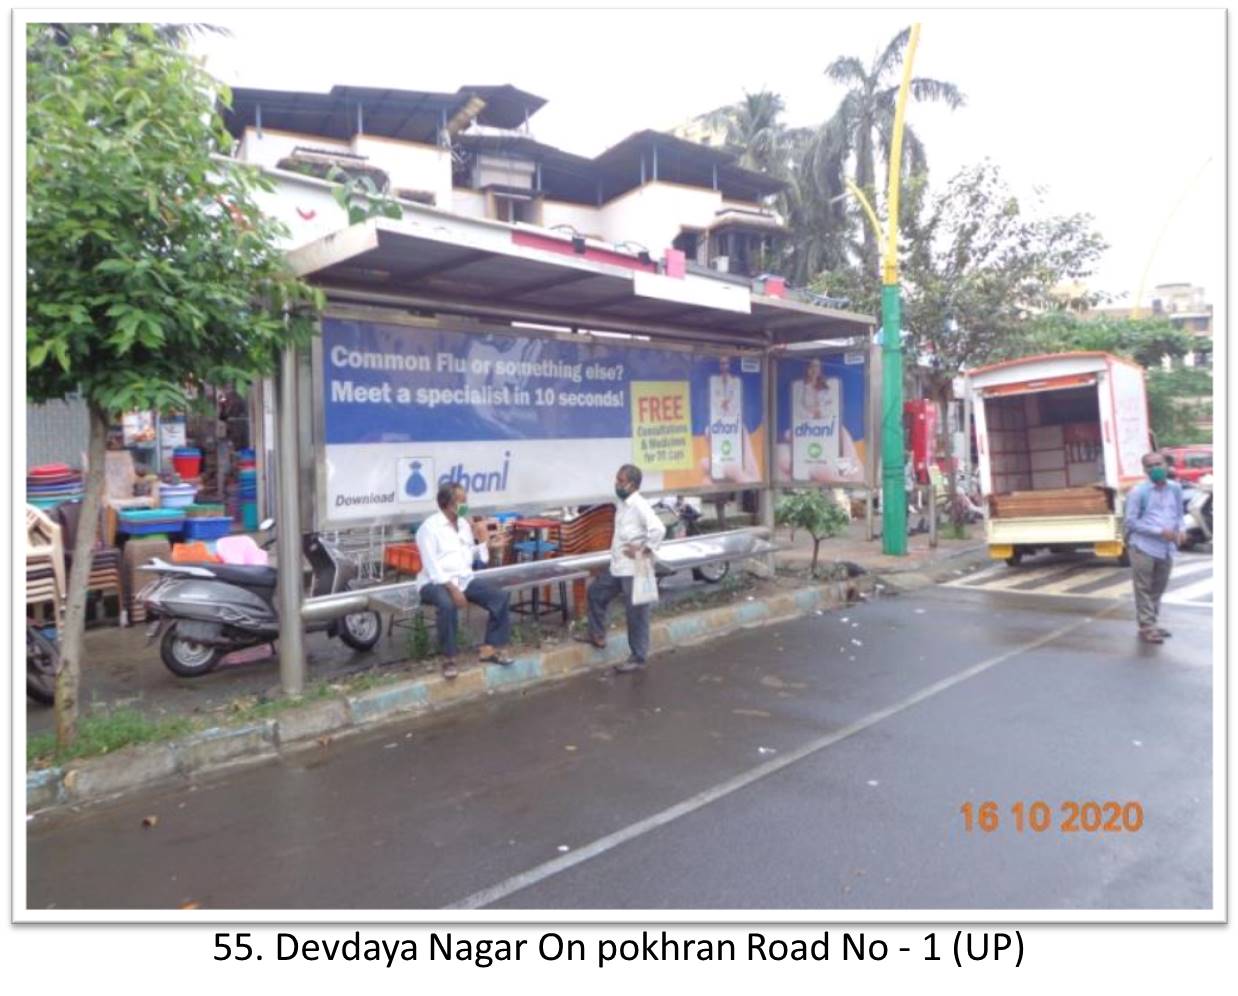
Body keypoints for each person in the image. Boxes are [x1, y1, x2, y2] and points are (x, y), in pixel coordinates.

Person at [415, 482, 514, 678]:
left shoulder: (463, 525)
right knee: (447, 604)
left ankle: (490, 648)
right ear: (447, 504)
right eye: (462, 501)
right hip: (434, 582)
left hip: (464, 579)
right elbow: (432, 566)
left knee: (499, 597)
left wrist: (485, 542)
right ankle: (449, 659)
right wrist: (453, 589)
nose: (466, 505)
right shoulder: (429, 528)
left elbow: (475, 559)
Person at [576, 464, 666, 673]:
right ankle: (597, 634)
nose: (616, 484)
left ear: (632, 485)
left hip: (636, 568)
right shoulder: (623, 503)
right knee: (596, 593)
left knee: (636, 615)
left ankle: (638, 657)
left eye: (620, 481)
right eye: (616, 479)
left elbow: (658, 529)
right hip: (619, 566)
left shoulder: (639, 505)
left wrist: (644, 551)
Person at [1124, 451, 1186, 644]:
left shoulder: (1175, 488)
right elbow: (1131, 522)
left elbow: (1179, 513)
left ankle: (1152, 622)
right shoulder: (1138, 492)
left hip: (1166, 548)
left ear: (1166, 466)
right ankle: (1147, 626)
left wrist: (1181, 530)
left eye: (1158, 464)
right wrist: (1159, 531)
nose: (1155, 469)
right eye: (1150, 466)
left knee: (1158, 587)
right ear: (1144, 470)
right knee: (1143, 588)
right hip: (1144, 546)